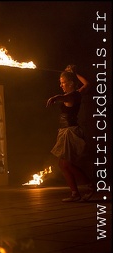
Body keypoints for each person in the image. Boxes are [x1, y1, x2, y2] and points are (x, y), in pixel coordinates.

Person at [46, 65, 94, 202]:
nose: (61, 85)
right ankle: (75, 193)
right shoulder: (79, 93)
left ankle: (89, 186)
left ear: (71, 83)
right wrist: (75, 72)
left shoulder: (72, 95)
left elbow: (63, 97)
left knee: (65, 164)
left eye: (63, 82)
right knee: (63, 165)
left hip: (70, 132)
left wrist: (56, 97)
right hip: (66, 131)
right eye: (60, 83)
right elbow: (87, 84)